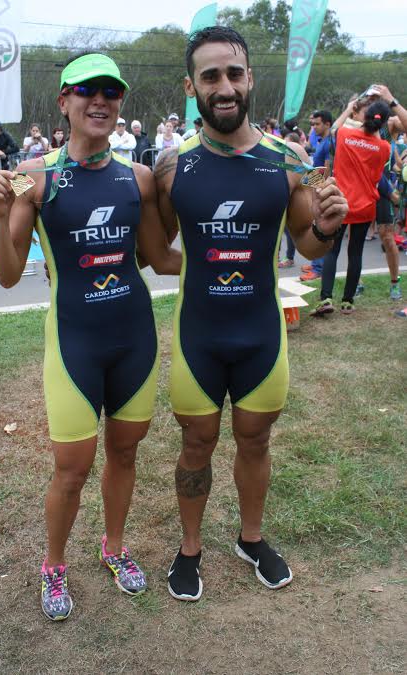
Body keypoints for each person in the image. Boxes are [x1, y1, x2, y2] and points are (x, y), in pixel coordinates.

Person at [0, 52, 181, 621]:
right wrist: (1, 218)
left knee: (124, 451)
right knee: (71, 468)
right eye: (86, 90)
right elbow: (4, 273)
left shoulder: (138, 176)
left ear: (120, 104)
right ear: (64, 101)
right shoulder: (33, 176)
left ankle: (114, 549)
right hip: (74, 342)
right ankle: (53, 564)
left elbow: (162, 259)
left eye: (111, 92)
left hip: (134, 341)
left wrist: (227, 244)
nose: (100, 100)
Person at [154, 26, 348, 601]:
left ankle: (251, 538)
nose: (224, 86)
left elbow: (307, 245)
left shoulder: (289, 160)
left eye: (233, 73)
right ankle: (189, 548)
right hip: (198, 338)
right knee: (196, 445)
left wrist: (325, 229)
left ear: (250, 80)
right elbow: (157, 250)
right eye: (210, 75)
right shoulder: (172, 165)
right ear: (193, 87)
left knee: (256, 441)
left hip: (262, 336)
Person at [311, 101, 391, 317]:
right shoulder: (384, 147)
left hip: (340, 202)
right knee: (355, 252)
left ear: (363, 117)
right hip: (365, 206)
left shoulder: (345, 134)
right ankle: (347, 302)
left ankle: (326, 297)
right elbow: (377, 176)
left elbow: (332, 130)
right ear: (382, 124)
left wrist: (348, 108)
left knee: (332, 250)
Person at [299, 110, 333, 282]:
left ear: (327, 124)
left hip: (320, 189)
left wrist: (314, 189)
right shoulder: (321, 140)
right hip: (314, 184)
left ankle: (318, 268)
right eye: (312, 124)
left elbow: (326, 171)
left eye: (317, 124)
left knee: (318, 227)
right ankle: (315, 264)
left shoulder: (329, 144)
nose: (313, 127)